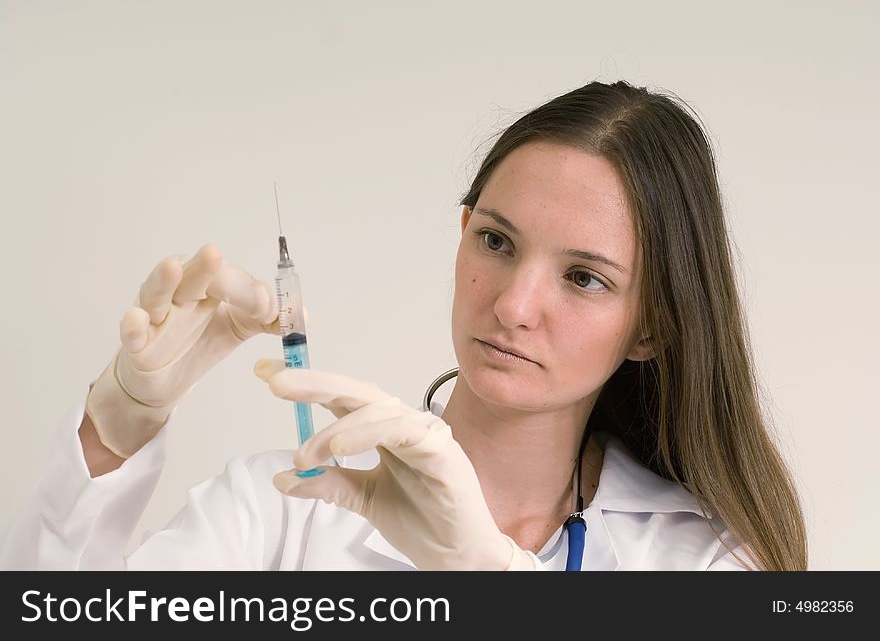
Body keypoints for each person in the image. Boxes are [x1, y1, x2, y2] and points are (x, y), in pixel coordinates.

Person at [0, 80, 807, 571]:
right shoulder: (280, 509)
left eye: (584, 277)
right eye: (497, 240)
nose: (514, 304)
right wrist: (119, 425)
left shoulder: (703, 559)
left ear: (653, 328)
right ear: (462, 237)